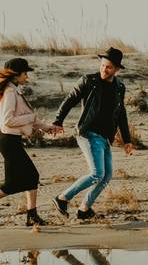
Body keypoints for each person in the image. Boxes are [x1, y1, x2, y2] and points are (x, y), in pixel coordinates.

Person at [0, 58, 60, 230]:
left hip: (11, 142)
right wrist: (32, 118)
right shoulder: (10, 92)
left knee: (31, 177)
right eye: (25, 73)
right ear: (17, 74)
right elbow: (9, 121)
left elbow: (26, 117)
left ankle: (32, 216)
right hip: (8, 142)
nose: (27, 77)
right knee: (14, 184)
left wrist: (46, 127)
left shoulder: (15, 91)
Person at [51, 47, 135, 220]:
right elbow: (69, 100)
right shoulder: (89, 81)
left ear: (117, 69)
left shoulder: (120, 87)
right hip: (88, 133)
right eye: (103, 65)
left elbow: (121, 114)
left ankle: (84, 209)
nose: (104, 69)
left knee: (106, 176)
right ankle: (62, 198)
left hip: (105, 137)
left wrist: (127, 140)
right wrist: (58, 121)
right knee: (97, 173)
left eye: (109, 67)